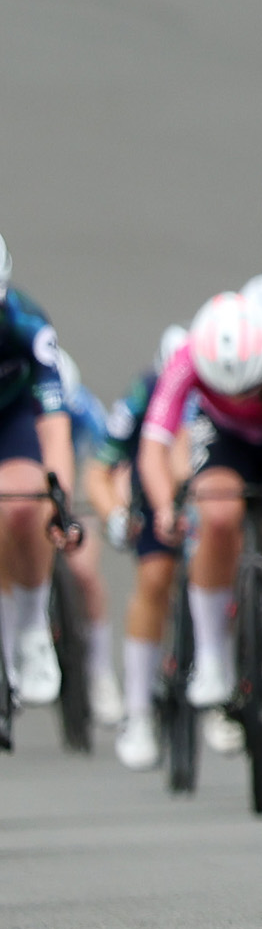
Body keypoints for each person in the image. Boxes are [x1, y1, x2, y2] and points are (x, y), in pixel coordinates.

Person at [138, 287, 262, 742]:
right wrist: (165, 507)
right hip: (225, 442)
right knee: (218, 514)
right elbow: (153, 446)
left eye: (249, 389)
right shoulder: (187, 357)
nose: (241, 400)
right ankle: (212, 654)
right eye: (229, 392)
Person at [90, 324, 190, 768]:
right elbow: (101, 468)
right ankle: (138, 711)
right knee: (153, 579)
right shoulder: (144, 392)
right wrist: (115, 512)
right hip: (155, 491)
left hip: (208, 487)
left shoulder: (219, 392)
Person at [0, 232, 77, 709]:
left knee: (24, 503)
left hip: (11, 419)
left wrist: (59, 499)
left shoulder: (26, 323)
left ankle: (31, 625)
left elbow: (54, 426)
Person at [52, 347, 126, 726]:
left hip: (75, 483)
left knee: (84, 573)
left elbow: (109, 466)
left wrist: (113, 508)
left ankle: (100, 673)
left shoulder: (84, 408)